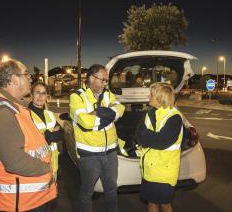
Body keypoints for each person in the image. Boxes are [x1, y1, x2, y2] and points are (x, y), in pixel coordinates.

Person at [0, 59, 57, 212]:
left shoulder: (16, 109)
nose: (30, 78)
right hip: (24, 203)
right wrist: (47, 168)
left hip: (34, 199)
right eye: (26, 74)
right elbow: (15, 162)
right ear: (14, 80)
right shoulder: (3, 113)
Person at [69, 64, 125, 212]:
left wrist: (97, 112)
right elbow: (86, 123)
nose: (106, 83)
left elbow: (121, 110)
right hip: (89, 156)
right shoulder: (77, 97)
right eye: (103, 80)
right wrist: (108, 115)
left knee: (112, 190)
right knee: (87, 193)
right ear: (92, 78)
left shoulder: (108, 94)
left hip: (111, 153)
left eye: (107, 80)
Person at [133, 82, 183, 212]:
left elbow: (161, 141)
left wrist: (147, 136)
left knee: (165, 205)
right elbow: (138, 134)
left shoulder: (174, 117)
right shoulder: (149, 114)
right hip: (149, 171)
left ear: (161, 98)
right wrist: (148, 137)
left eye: (152, 94)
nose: (148, 96)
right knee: (151, 203)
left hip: (164, 173)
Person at [29, 82, 64, 181]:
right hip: (36, 168)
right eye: (37, 92)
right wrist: (51, 134)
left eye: (43, 93)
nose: (40, 96)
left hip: (53, 167)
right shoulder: (26, 115)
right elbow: (32, 141)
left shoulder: (50, 114)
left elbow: (61, 134)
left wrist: (47, 135)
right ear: (31, 95)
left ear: (47, 97)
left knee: (53, 195)